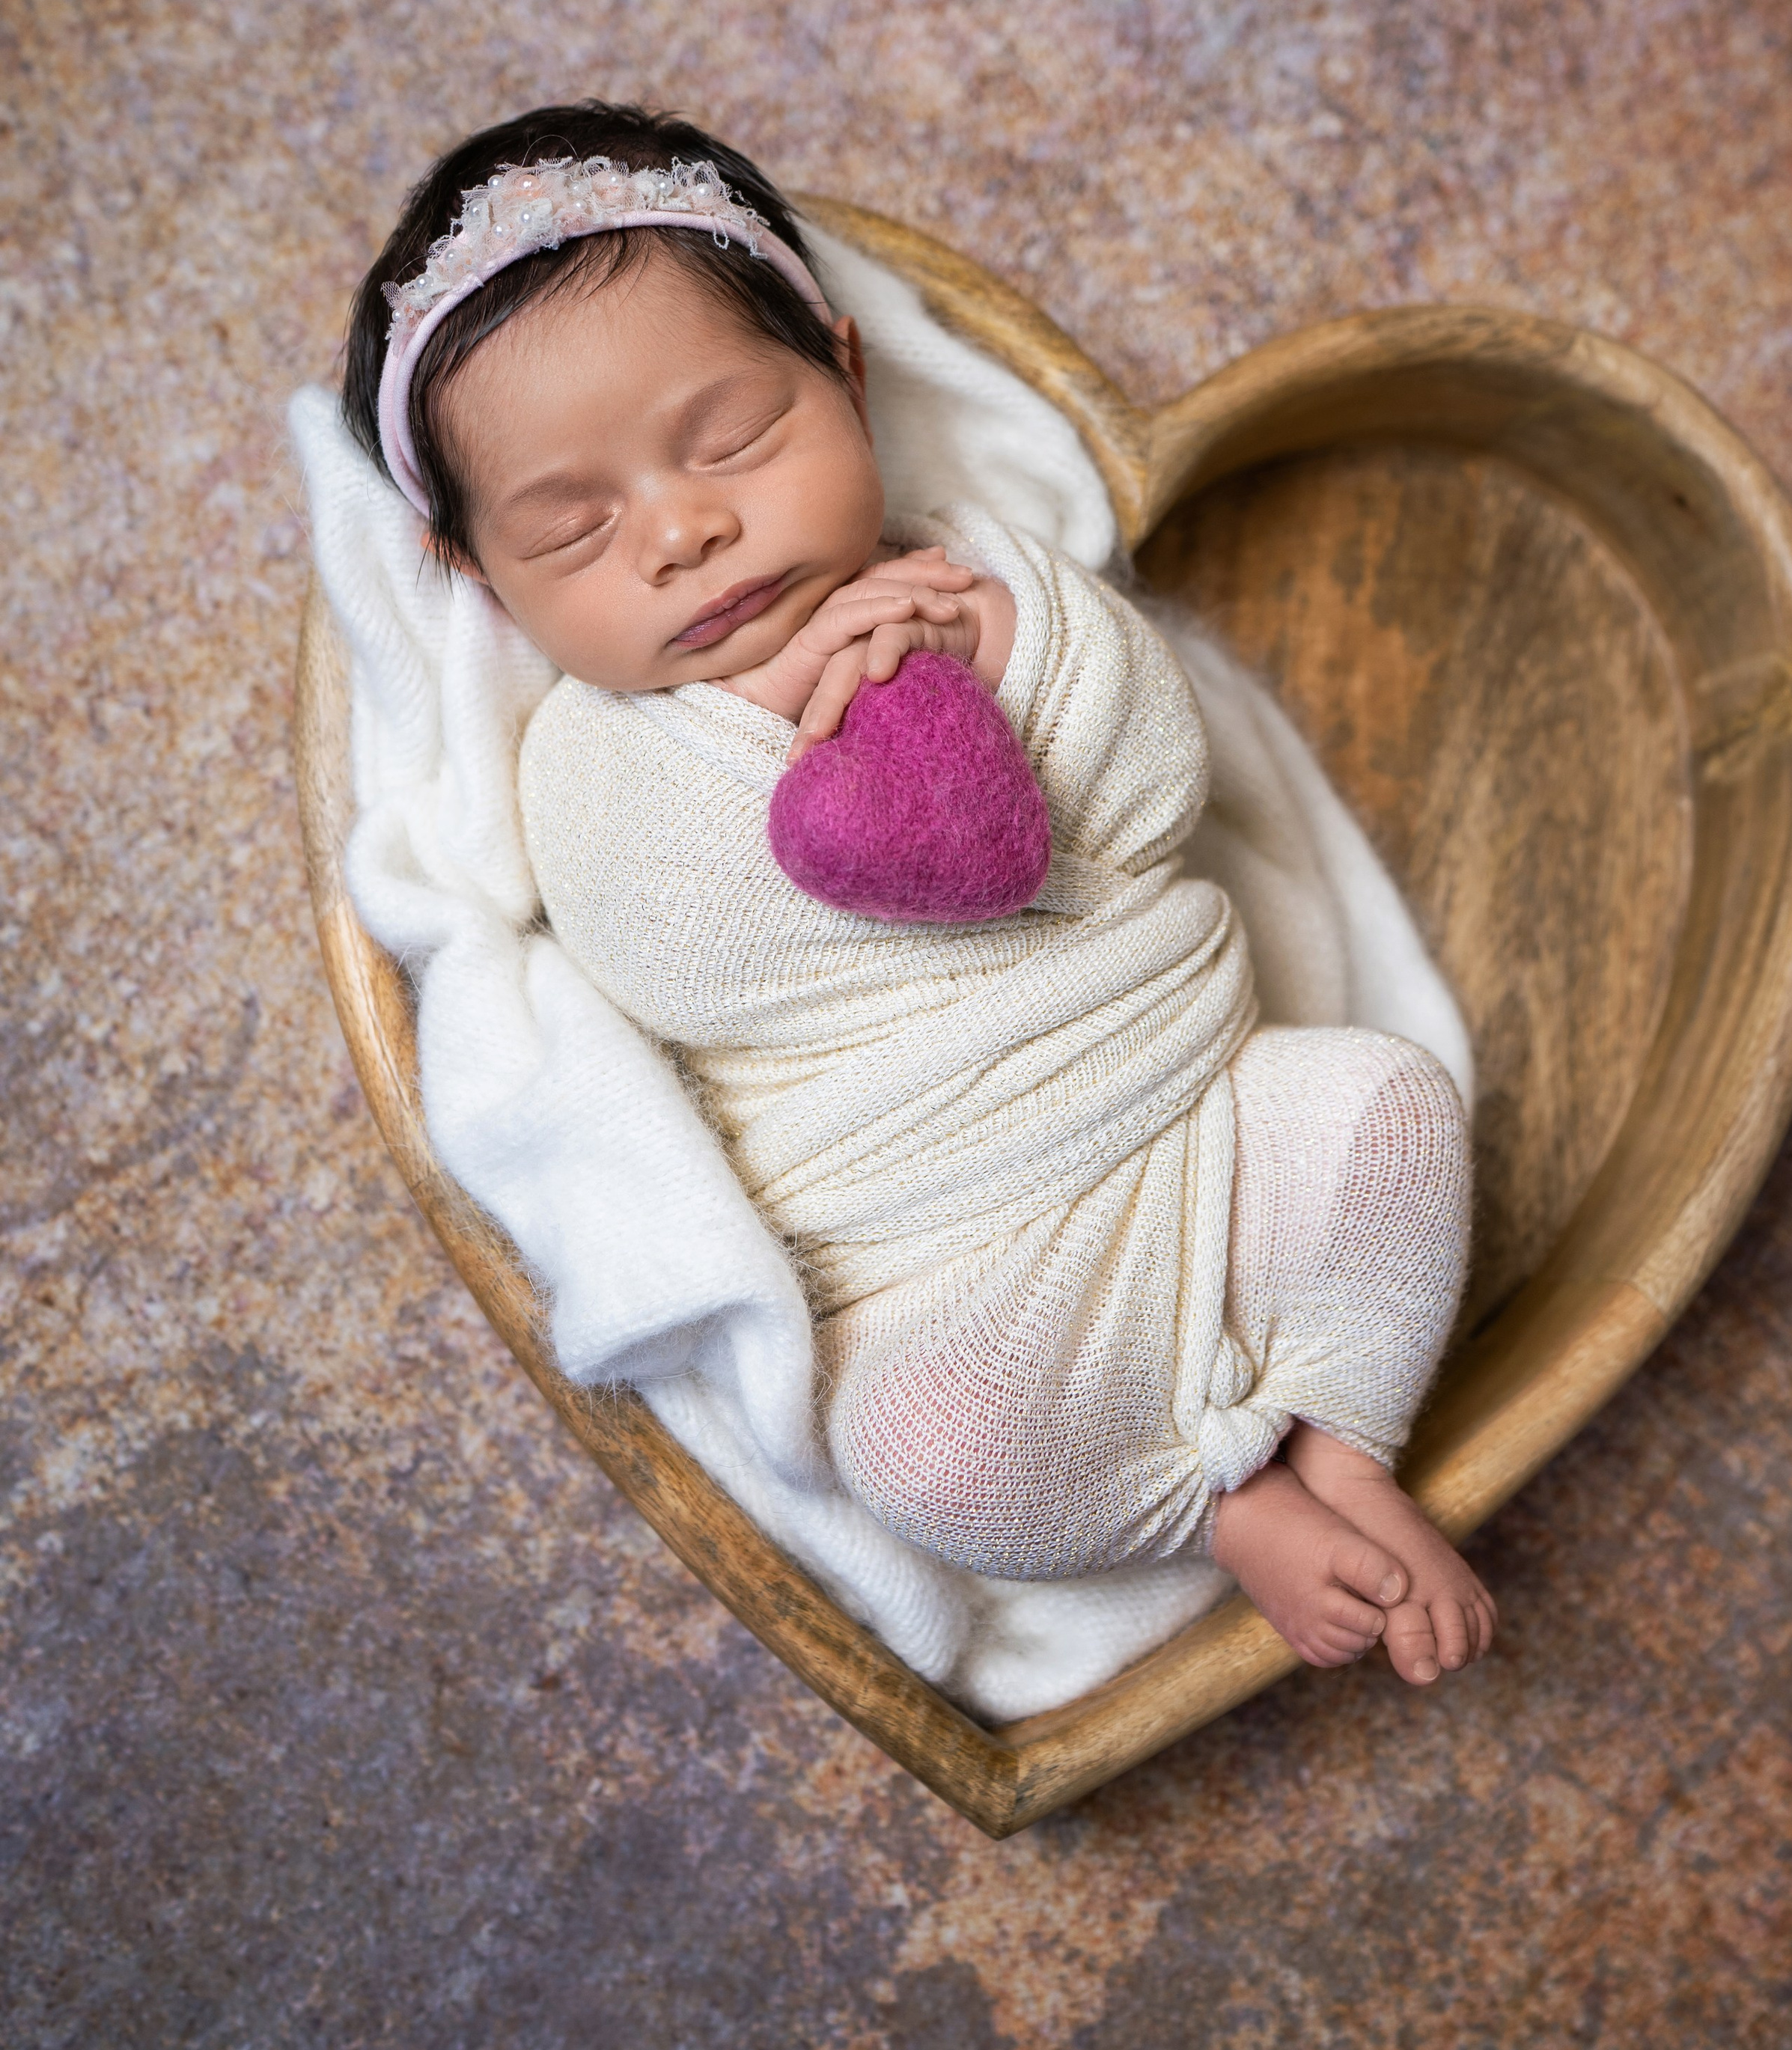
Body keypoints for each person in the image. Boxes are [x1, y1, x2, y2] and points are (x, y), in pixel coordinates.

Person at [341, 101, 1496, 1688]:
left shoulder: (982, 577)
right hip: (944, 1256)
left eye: (734, 438)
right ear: (482, 577)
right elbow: (678, 960)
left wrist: (991, 666)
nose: (684, 529)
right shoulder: (599, 766)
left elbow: (1154, 798)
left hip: (1196, 1119)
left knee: (1384, 1109)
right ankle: (1218, 1509)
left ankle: (1348, 1442)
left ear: (845, 369)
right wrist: (786, 724)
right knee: (927, 1457)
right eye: (575, 526)